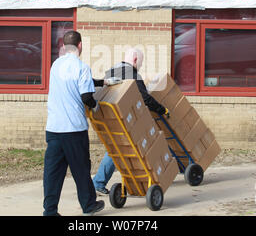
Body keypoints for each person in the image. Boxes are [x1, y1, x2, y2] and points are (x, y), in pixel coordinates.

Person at [43, 30, 105, 216]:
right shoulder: (82, 67)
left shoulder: (55, 65)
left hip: (54, 128)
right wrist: (95, 106)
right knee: (80, 169)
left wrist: (102, 82)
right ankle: (89, 205)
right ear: (80, 45)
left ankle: (50, 211)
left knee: (53, 172)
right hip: (74, 129)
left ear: (63, 46)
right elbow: (86, 95)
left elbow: (75, 82)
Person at [92, 47, 170, 195]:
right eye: (140, 63)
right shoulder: (133, 75)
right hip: (128, 121)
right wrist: (162, 110)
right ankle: (143, 183)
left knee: (115, 150)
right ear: (135, 60)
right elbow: (145, 98)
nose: (140, 66)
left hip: (109, 118)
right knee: (136, 150)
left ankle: (99, 182)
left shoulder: (112, 71)